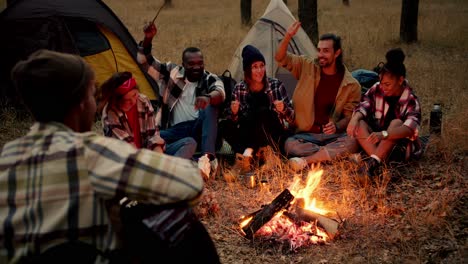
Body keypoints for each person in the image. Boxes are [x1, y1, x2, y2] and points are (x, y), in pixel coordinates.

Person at [0, 50, 219, 263]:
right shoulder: (92, 152)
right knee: (173, 220)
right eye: (92, 94)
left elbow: (153, 135)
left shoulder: (7, 156)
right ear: (82, 104)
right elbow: (189, 183)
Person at [137, 23, 225, 178]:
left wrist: (208, 97)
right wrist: (148, 39)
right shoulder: (172, 72)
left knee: (211, 107)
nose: (197, 67)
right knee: (150, 139)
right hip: (175, 131)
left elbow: (220, 93)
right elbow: (144, 61)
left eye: (200, 63)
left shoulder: (209, 78)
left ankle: (207, 159)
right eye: (192, 64)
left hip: (199, 128)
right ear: (183, 64)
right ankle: (188, 165)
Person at [275, 21, 362, 171]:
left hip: (332, 137)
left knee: (353, 141)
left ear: (337, 53)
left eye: (326, 51)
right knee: (290, 145)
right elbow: (280, 57)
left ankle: (306, 160)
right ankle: (332, 156)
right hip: (306, 135)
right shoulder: (306, 66)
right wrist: (288, 36)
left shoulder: (351, 85)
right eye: (319, 50)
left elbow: (349, 117)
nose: (320, 55)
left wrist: (336, 126)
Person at [347, 48, 422, 183]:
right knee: (359, 123)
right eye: (381, 83)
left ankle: (371, 164)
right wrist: (354, 119)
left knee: (396, 124)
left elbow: (409, 129)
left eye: (387, 84)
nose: (383, 87)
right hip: (377, 142)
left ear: (400, 80)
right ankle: (379, 164)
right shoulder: (377, 88)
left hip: (398, 146)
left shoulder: (411, 99)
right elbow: (363, 104)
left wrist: (385, 134)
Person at [220, 45, 294, 173]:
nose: (260, 70)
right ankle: (250, 155)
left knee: (262, 111)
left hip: (272, 135)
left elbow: (291, 119)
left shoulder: (276, 85)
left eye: (262, 66)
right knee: (224, 125)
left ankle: (250, 155)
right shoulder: (239, 88)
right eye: (255, 67)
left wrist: (283, 109)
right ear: (247, 70)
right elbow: (236, 123)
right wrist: (234, 113)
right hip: (249, 134)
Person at [99, 71, 196, 159]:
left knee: (189, 142)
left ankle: (168, 171)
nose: (133, 101)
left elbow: (153, 136)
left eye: (134, 95)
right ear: (116, 101)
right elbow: (128, 150)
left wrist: (158, 158)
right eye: (126, 100)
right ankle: (170, 172)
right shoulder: (110, 114)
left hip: (149, 154)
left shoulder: (143, 101)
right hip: (129, 161)